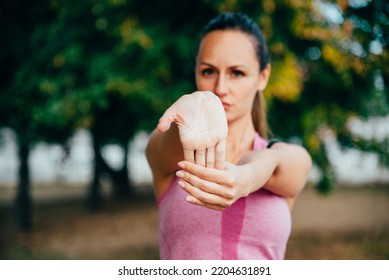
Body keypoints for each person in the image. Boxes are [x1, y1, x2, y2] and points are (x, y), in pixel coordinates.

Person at [146, 12, 312, 260]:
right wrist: (193, 109)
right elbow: (165, 145)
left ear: (263, 77)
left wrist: (245, 178)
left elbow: (278, 161)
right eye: (208, 71)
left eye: (237, 73)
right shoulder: (169, 149)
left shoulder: (282, 158)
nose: (221, 88)